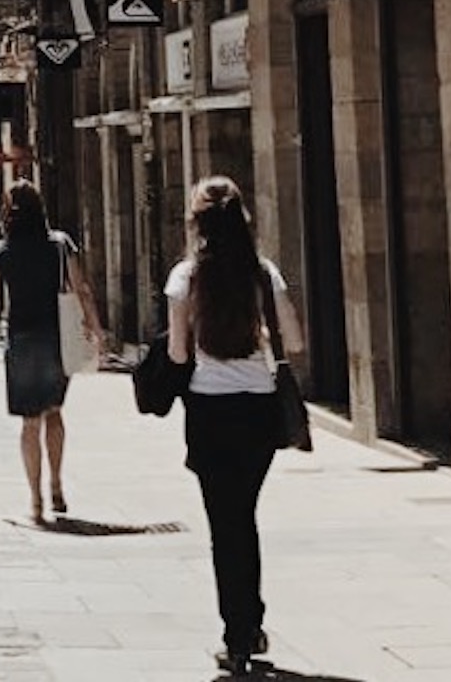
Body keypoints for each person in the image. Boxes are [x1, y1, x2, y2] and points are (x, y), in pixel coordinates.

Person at [166, 177, 306, 674]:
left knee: (224, 524)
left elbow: (178, 353)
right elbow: (294, 340)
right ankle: (249, 623)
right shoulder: (263, 274)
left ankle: (239, 631)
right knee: (242, 516)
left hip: (209, 411)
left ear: (198, 224)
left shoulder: (186, 278)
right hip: (257, 410)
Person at [0, 182, 105, 525]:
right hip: (56, 339)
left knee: (30, 423)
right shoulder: (60, 245)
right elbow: (82, 290)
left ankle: (35, 498)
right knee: (55, 413)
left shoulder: (1, 252)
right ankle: (57, 483)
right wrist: (95, 329)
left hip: (22, 340)